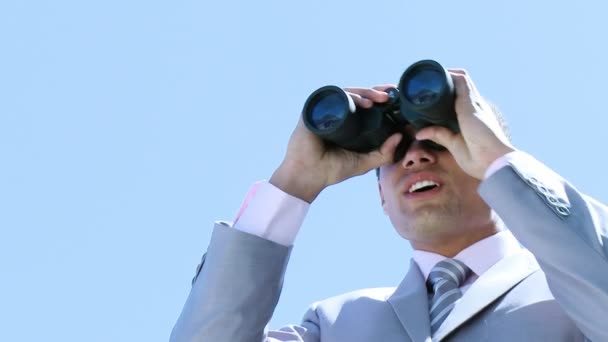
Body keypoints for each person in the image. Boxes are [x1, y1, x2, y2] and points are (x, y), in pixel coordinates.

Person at [170, 69, 608, 341]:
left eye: (443, 140)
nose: (415, 157)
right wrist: (294, 182)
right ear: (381, 196)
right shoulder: (336, 324)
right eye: (396, 153)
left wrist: (500, 159)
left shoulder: (567, 289)